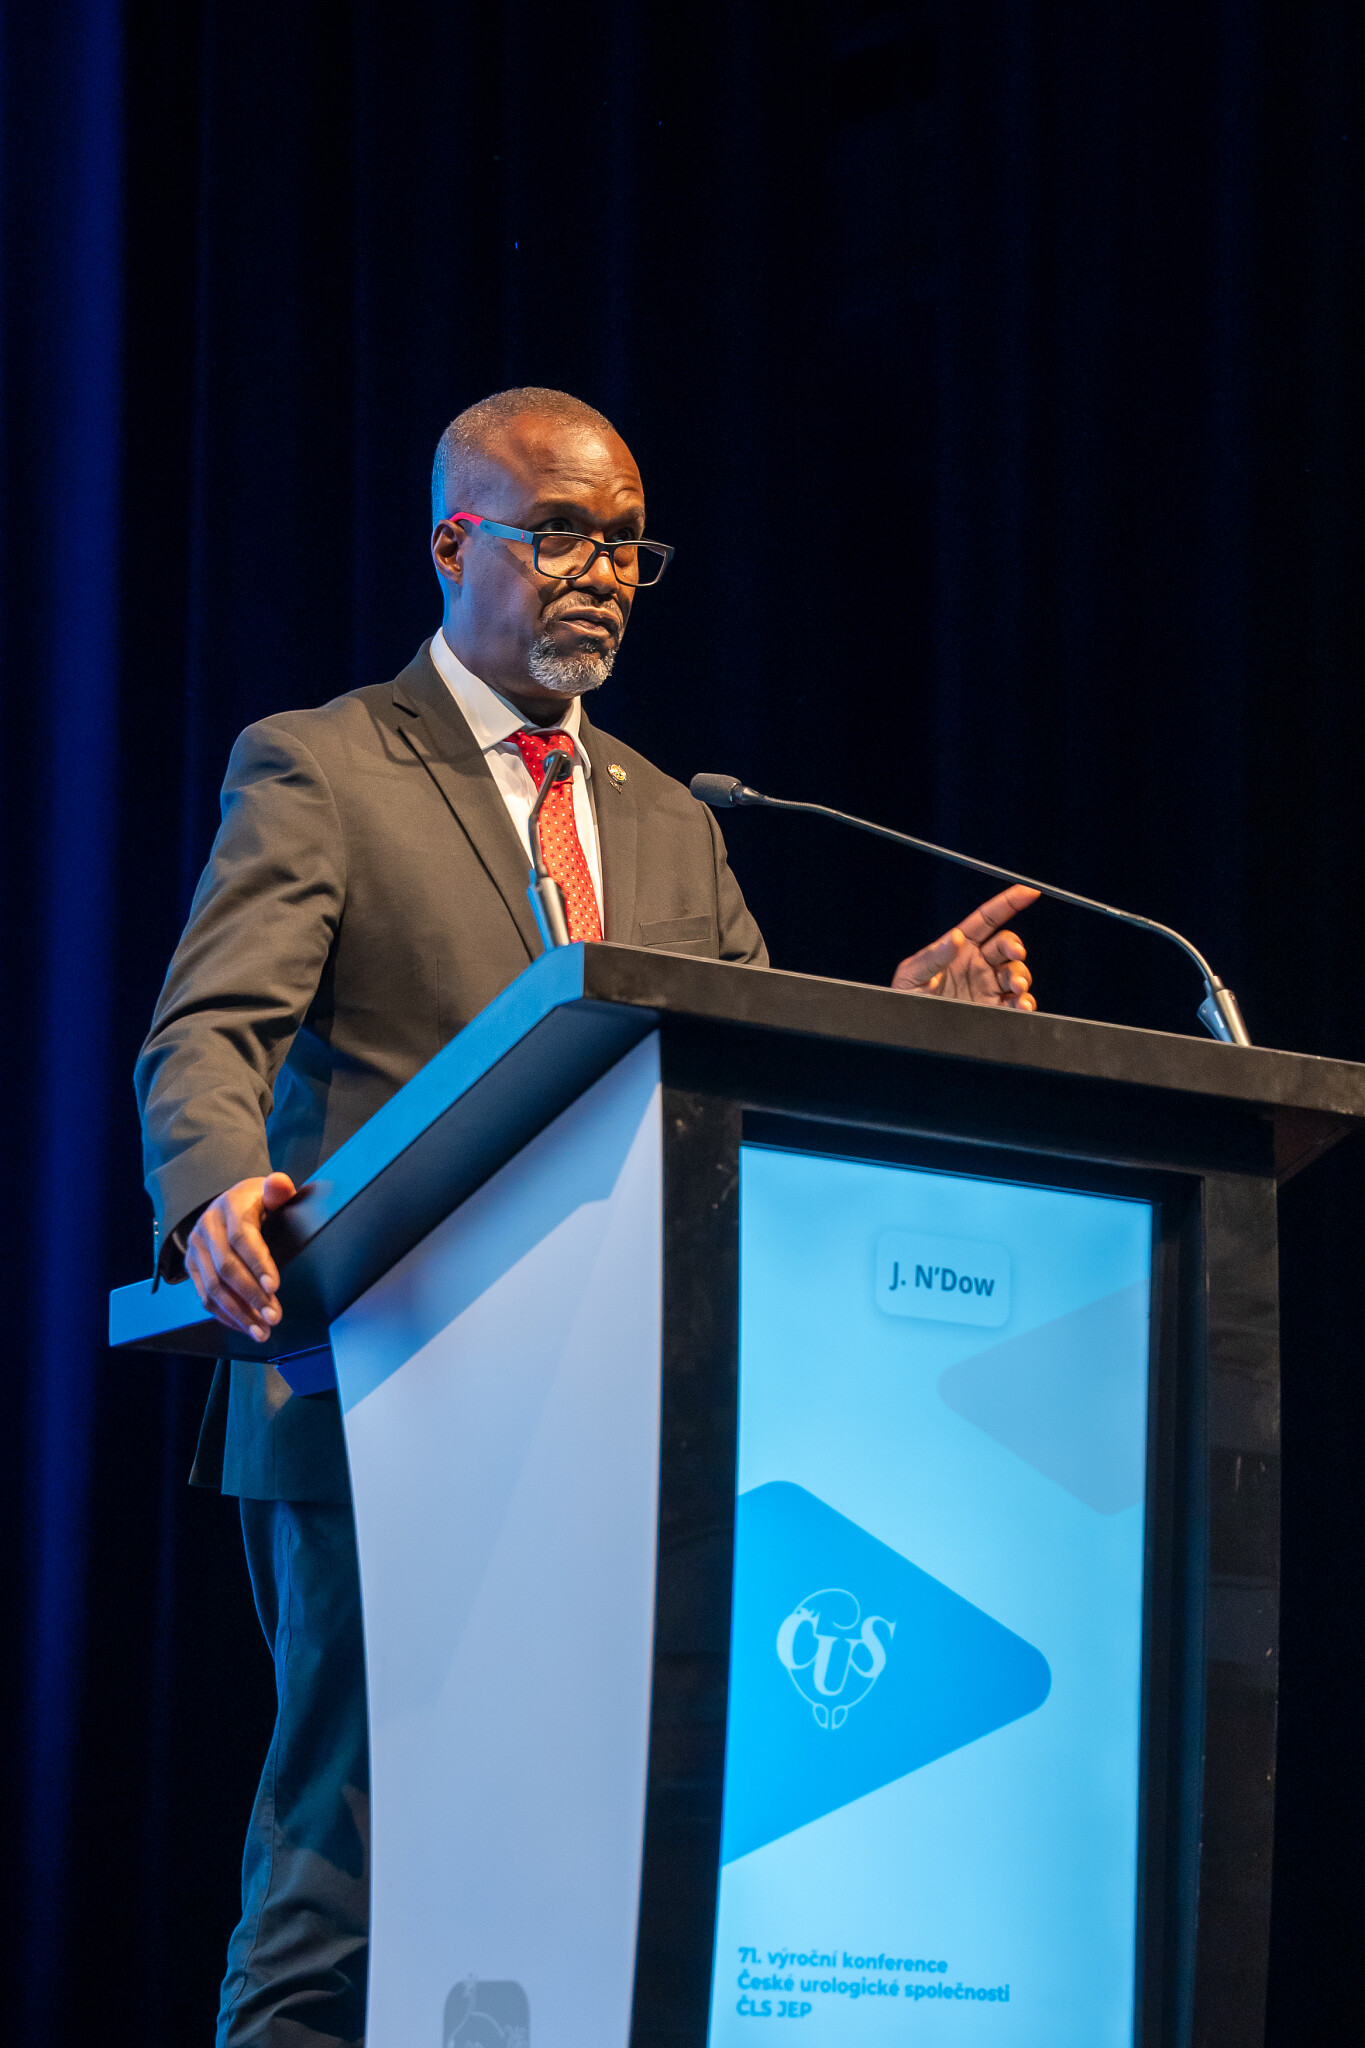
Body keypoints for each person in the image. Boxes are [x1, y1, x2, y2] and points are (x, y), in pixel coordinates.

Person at [136, 386, 1037, 2046]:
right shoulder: (326, 763)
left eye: (625, 545)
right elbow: (207, 1031)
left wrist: (908, 1021)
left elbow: (750, 1070)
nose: (601, 574)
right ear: (450, 542)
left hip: (623, 1417)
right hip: (380, 1389)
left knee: (575, 1873)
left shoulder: (671, 818)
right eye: (558, 534)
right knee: (352, 1860)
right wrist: (211, 1194)